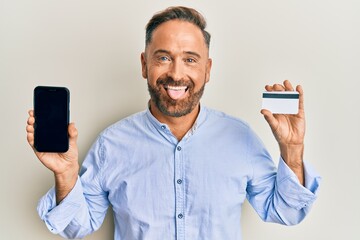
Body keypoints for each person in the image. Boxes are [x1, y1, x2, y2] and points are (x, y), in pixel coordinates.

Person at [26, 6, 320, 240]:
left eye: (191, 60)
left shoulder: (240, 137)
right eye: (164, 57)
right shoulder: (110, 144)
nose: (176, 74)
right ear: (144, 65)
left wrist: (292, 149)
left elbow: (286, 212)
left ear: (208, 69)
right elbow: (76, 227)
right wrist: (65, 176)